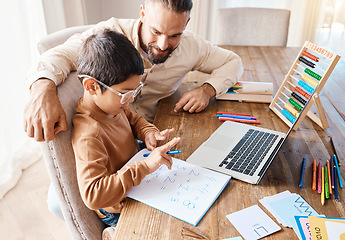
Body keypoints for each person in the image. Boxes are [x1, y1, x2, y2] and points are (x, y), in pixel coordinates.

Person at [24, 0, 243, 142]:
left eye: (175, 35)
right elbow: (57, 56)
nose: (163, 44)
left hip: (153, 133)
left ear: (187, 23)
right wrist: (42, 90)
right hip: (106, 141)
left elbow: (233, 62)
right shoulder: (108, 36)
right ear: (142, 13)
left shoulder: (192, 46)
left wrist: (207, 90)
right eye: (155, 31)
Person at [72, 29, 181, 234]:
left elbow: (133, 119)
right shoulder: (89, 135)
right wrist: (144, 167)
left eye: (135, 91)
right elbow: (93, 195)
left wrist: (147, 131)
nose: (130, 100)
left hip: (139, 182)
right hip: (119, 206)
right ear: (92, 86)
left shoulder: (113, 106)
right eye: (124, 93)